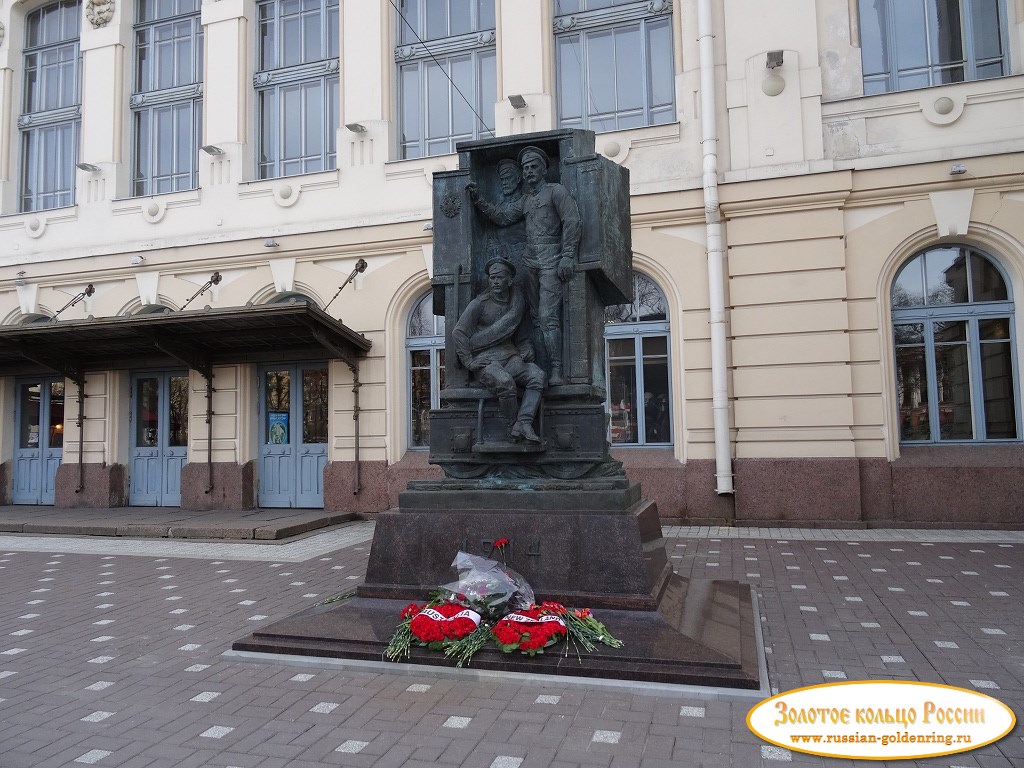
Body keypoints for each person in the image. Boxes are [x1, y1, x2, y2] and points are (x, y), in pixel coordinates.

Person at [466, 146, 581, 386]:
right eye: (525, 167)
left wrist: (568, 255)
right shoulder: (526, 200)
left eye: (533, 166)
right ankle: (537, 367)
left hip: (552, 260)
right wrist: (479, 201)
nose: (528, 171)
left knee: (548, 316)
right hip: (530, 263)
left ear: (543, 169)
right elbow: (502, 216)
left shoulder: (556, 192)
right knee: (535, 318)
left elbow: (571, 220)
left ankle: (556, 370)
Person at [452, 257, 545, 443]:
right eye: (492, 278)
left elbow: (523, 338)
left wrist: (526, 349)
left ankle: (523, 423)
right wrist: (469, 362)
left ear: (509, 280)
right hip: (487, 362)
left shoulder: (516, 304)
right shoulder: (479, 304)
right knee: (505, 382)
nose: (495, 281)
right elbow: (459, 333)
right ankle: (512, 424)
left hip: (511, 357)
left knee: (538, 376)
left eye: (499, 278)